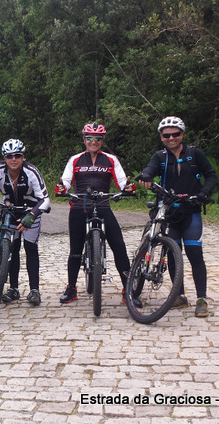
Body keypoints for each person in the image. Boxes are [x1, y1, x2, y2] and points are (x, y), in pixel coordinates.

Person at [136, 116, 217, 317]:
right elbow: (149, 169)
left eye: (175, 134)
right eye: (167, 135)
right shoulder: (159, 156)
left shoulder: (195, 153)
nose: (171, 138)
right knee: (173, 253)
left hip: (191, 211)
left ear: (182, 134)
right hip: (170, 212)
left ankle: (201, 299)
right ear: (161, 137)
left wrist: (204, 193)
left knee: (195, 255)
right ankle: (178, 296)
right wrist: (146, 176)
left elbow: (211, 175)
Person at [55, 123, 139, 307]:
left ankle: (127, 289)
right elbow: (67, 180)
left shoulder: (110, 160)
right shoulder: (75, 159)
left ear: (102, 141)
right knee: (75, 250)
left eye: (98, 138)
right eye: (90, 138)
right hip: (79, 205)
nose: (94, 142)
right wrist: (62, 188)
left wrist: (127, 188)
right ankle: (71, 289)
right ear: (84, 140)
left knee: (119, 245)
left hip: (102, 204)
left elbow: (122, 181)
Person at [0, 139, 51, 305]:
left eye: (17, 155)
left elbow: (45, 199)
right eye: (9, 156)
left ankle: (34, 290)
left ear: (23, 157)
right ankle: (13, 288)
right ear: (4, 158)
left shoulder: (31, 172)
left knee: (31, 248)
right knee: (12, 248)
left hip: (31, 212)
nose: (13, 159)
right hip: (10, 211)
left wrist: (32, 214)